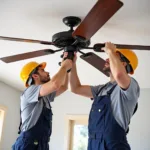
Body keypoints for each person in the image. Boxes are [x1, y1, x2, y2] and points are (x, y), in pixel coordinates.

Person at [69, 42, 140, 150]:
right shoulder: (101, 89)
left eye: (112, 58)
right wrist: (71, 64)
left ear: (124, 64)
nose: (106, 59)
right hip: (93, 144)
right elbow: (75, 88)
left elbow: (119, 75)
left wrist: (110, 51)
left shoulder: (131, 86)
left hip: (114, 145)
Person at [12, 55, 73, 150]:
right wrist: (64, 66)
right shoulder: (30, 91)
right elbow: (55, 84)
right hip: (28, 144)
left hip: (42, 143)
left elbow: (63, 87)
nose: (47, 72)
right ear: (35, 76)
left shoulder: (44, 95)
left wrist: (67, 68)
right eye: (43, 71)